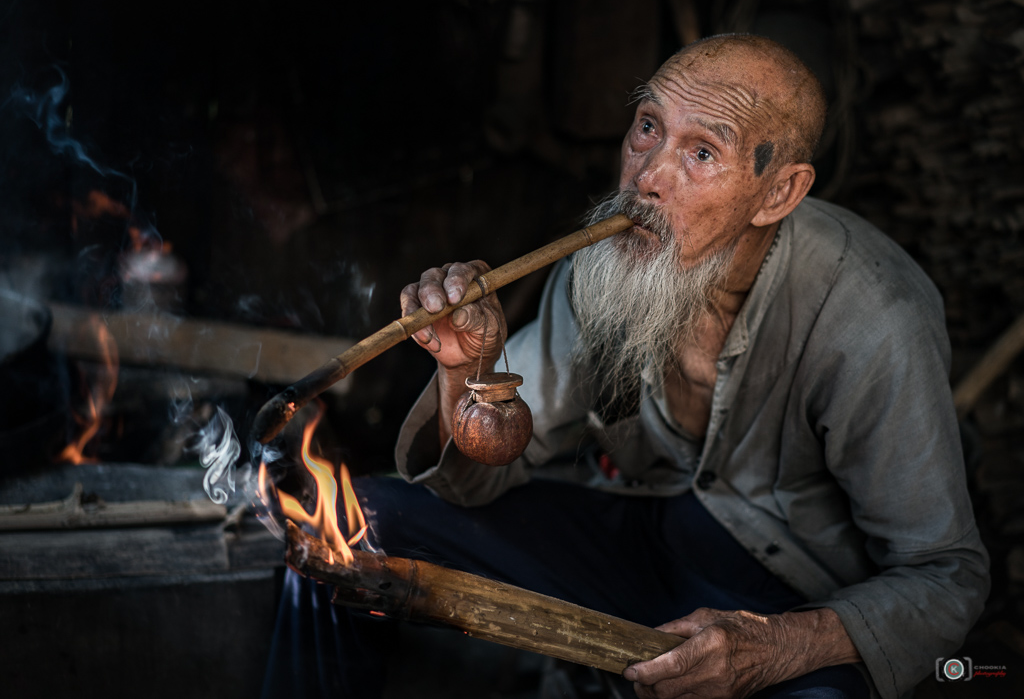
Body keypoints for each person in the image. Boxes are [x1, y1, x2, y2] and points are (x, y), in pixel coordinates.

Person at [263, 34, 989, 699]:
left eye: (701, 153)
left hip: (793, 598)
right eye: (648, 127)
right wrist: (467, 371)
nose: (647, 178)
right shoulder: (606, 268)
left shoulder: (869, 316)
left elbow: (947, 576)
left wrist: (774, 647)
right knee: (358, 529)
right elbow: (489, 471)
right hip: (644, 542)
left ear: (779, 194)